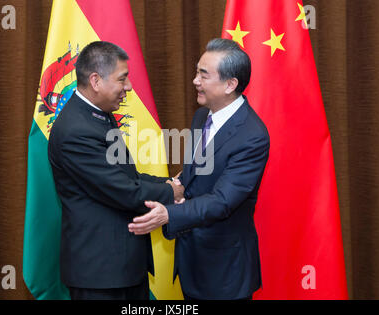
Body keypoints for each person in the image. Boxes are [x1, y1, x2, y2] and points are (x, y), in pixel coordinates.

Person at [128, 38, 270, 300]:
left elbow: (223, 201)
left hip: (224, 271)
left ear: (230, 84)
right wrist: (172, 186)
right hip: (192, 260)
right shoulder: (201, 116)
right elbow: (193, 174)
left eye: (203, 75)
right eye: (196, 72)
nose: (195, 80)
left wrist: (168, 214)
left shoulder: (252, 135)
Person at [48, 41, 184, 300]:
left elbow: (125, 176)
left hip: (120, 268)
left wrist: (168, 183)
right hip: (100, 275)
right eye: (122, 79)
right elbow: (122, 190)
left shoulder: (96, 115)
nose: (129, 87)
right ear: (96, 80)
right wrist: (172, 193)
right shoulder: (76, 130)